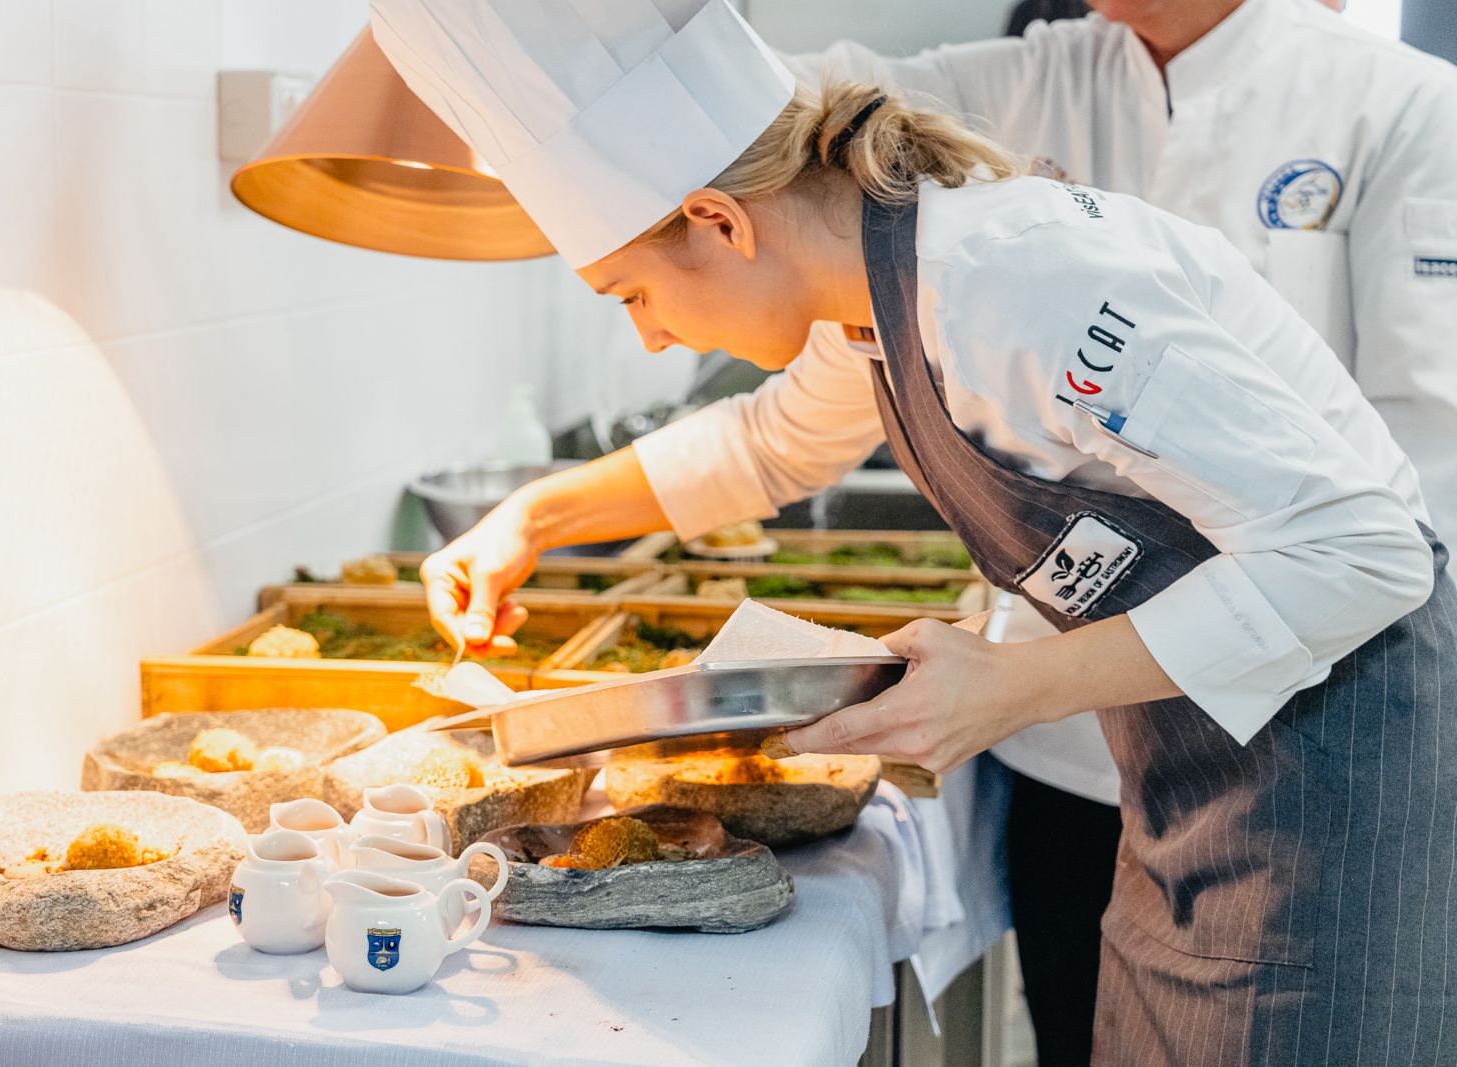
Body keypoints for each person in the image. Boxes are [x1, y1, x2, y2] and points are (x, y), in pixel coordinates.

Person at [373, 0, 1457, 1063]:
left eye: (632, 295)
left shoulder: (1015, 283)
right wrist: (532, 518)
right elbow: (768, 443)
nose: (651, 339)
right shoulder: (881, 293)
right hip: (1199, 784)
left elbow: (1364, 551)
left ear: (719, 222)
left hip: (1335, 783)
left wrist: (1010, 686)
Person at [775, 4, 1457, 1059]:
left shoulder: (1400, 102)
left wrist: (1036, 678)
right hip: (1091, 747)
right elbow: (789, 101)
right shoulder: (1030, 75)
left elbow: (1411, 488)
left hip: (1318, 731)